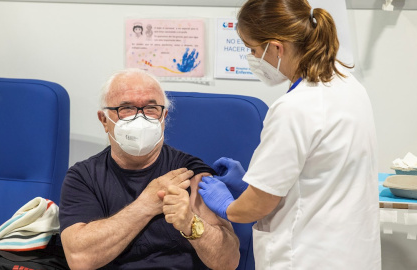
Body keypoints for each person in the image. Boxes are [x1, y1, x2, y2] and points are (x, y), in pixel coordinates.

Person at [198, 0, 381, 269]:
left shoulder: (294, 108)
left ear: (276, 47)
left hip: (307, 256)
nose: (251, 57)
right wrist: (251, 185)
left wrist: (228, 205)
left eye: (252, 49)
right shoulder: (347, 83)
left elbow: (257, 207)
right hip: (352, 252)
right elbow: (316, 173)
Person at [59, 68, 240, 270]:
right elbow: (79, 259)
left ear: (164, 117)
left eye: (151, 109)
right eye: (126, 108)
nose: (140, 119)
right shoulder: (83, 177)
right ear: (104, 120)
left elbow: (228, 262)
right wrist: (146, 204)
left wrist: (191, 223)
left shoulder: (191, 172)